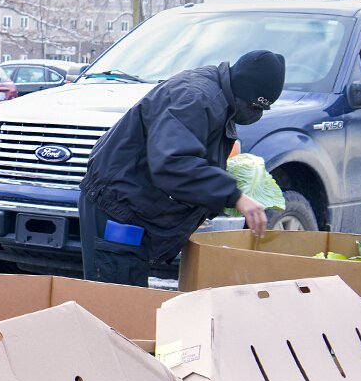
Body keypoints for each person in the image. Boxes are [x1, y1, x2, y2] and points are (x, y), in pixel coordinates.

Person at [78, 49, 285, 287]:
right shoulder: (195, 98)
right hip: (117, 207)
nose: (255, 114)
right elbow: (174, 162)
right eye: (254, 106)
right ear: (244, 90)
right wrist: (234, 196)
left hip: (132, 201)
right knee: (115, 301)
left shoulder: (220, 95)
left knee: (126, 297)